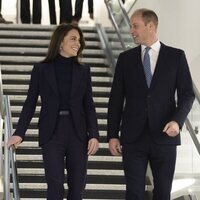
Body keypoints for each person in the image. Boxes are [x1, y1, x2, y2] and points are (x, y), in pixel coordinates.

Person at [107, 8, 194, 200]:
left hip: (164, 137)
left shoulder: (176, 57)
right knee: (134, 193)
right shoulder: (125, 59)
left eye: (135, 26)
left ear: (151, 26)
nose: (131, 31)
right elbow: (115, 100)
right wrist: (112, 135)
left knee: (162, 193)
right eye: (130, 26)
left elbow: (187, 94)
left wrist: (177, 122)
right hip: (132, 138)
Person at [7, 23, 99, 200]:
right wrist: (19, 133)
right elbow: (30, 103)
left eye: (79, 40)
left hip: (78, 134)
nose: (78, 43)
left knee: (77, 187)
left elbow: (89, 105)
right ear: (60, 42)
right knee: (55, 186)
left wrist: (93, 134)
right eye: (73, 38)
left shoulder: (84, 71)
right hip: (52, 133)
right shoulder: (41, 69)